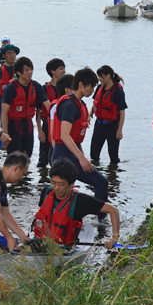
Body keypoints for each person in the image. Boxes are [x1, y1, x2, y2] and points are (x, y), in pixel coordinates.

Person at [50, 67, 109, 203]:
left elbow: (75, 137)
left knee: (65, 192)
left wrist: (82, 156)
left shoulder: (79, 103)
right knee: (101, 183)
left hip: (69, 153)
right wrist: (81, 158)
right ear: (81, 84)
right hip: (63, 156)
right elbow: (64, 135)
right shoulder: (70, 105)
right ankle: (101, 220)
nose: (93, 90)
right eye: (91, 86)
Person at [32, 159, 121, 250]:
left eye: (61, 184)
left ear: (72, 184)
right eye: (54, 183)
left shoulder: (80, 201)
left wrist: (114, 238)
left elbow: (113, 210)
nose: (56, 188)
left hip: (64, 249)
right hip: (39, 243)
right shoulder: (46, 192)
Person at [1, 56, 50, 159]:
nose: (30, 72)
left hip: (28, 125)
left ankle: (25, 175)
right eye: (26, 70)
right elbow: (4, 112)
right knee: (14, 159)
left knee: (27, 157)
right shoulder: (11, 88)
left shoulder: (36, 86)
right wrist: (5, 133)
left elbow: (47, 105)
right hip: (14, 125)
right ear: (18, 73)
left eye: (31, 69)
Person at [90, 65, 127, 164]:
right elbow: (95, 104)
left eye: (101, 76)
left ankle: (113, 176)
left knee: (113, 157)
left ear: (108, 76)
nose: (99, 79)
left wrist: (120, 130)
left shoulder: (118, 92)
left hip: (112, 126)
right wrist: (89, 115)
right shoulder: (99, 88)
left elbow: (122, 112)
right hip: (99, 125)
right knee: (94, 155)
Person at [38, 58, 66, 169]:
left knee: (57, 156)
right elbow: (38, 111)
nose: (64, 71)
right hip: (46, 124)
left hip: (61, 125)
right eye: (61, 69)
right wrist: (40, 130)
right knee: (43, 158)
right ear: (52, 71)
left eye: (64, 68)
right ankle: (43, 181)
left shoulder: (66, 89)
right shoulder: (43, 88)